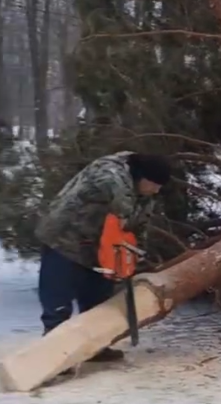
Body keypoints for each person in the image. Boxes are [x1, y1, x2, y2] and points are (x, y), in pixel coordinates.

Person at [34, 151, 171, 362]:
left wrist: (134, 256)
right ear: (140, 175)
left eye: (159, 186)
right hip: (65, 237)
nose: (156, 190)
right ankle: (54, 353)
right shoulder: (110, 172)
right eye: (153, 183)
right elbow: (121, 203)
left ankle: (94, 346)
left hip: (99, 246)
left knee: (98, 299)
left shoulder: (145, 195)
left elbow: (139, 227)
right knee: (58, 300)